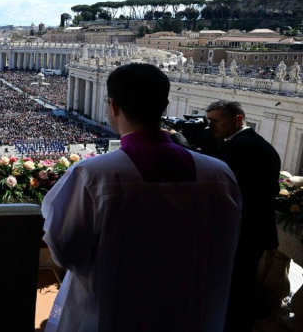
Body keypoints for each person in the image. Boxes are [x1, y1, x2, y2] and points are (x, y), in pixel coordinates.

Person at [41, 63, 241, 332]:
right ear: (165, 105)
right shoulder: (220, 175)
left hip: (109, 313)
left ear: (113, 106)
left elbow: (65, 250)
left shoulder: (92, 174)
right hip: (193, 313)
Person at [204, 100, 282, 331]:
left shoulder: (241, 147)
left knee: (235, 290)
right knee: (240, 286)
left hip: (242, 232)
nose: (211, 128)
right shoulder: (255, 144)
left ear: (238, 119)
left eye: (215, 121)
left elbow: (211, 174)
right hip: (251, 232)